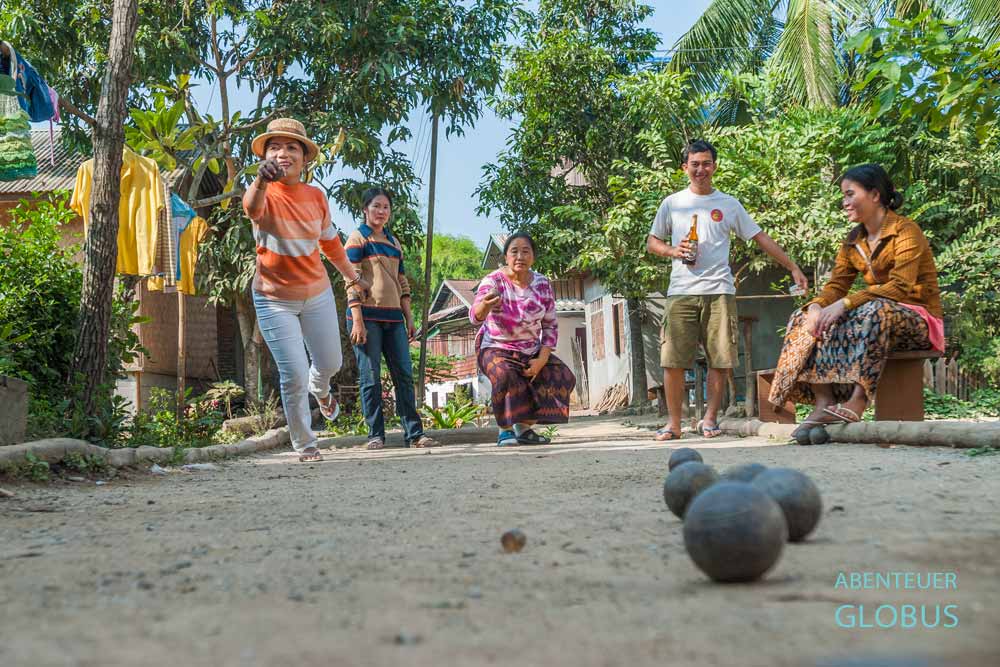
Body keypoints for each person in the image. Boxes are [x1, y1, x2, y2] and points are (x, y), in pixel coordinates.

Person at [646, 139, 808, 441]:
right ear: (685, 168)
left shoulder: (729, 204)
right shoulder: (672, 203)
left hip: (720, 290)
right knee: (673, 360)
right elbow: (652, 242)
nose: (700, 169)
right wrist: (673, 251)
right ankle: (674, 423)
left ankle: (709, 419)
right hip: (680, 291)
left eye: (706, 163)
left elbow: (760, 238)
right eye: (694, 164)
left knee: (720, 359)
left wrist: (792, 267)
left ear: (714, 166)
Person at [769, 164, 944, 434]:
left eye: (850, 194)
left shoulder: (906, 231)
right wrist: (817, 305)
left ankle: (858, 401)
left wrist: (846, 303)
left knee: (873, 310)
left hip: (919, 320)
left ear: (874, 195)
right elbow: (837, 286)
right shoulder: (853, 241)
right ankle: (823, 402)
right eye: (844, 196)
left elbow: (900, 287)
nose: (845, 202)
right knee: (806, 316)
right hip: (880, 314)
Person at [243, 118, 369, 463]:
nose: (283, 153)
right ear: (266, 156)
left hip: (317, 293)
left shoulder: (316, 196)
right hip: (273, 298)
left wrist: (353, 278)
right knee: (293, 372)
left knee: (330, 362)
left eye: (292, 147)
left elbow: (330, 243)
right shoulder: (262, 191)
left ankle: (322, 388)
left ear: (305, 157)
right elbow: (251, 209)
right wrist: (259, 179)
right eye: (275, 147)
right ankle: (305, 443)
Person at [345, 188, 440, 450]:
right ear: (365, 209)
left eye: (386, 207)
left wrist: (409, 318)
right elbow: (350, 279)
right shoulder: (357, 239)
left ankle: (415, 434)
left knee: (404, 376)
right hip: (366, 317)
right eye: (376, 206)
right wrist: (357, 320)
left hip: (395, 320)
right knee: (370, 377)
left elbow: (402, 282)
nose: (381, 212)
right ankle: (375, 435)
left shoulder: (394, 243)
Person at [471, 232, 577, 446]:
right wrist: (486, 304)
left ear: (533, 257)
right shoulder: (493, 281)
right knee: (505, 375)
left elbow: (550, 326)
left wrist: (541, 360)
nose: (520, 256)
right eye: (514, 251)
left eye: (526, 251)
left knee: (562, 376)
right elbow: (475, 316)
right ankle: (505, 431)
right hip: (495, 346)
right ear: (506, 257)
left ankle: (524, 428)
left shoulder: (542, 284)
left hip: (530, 349)